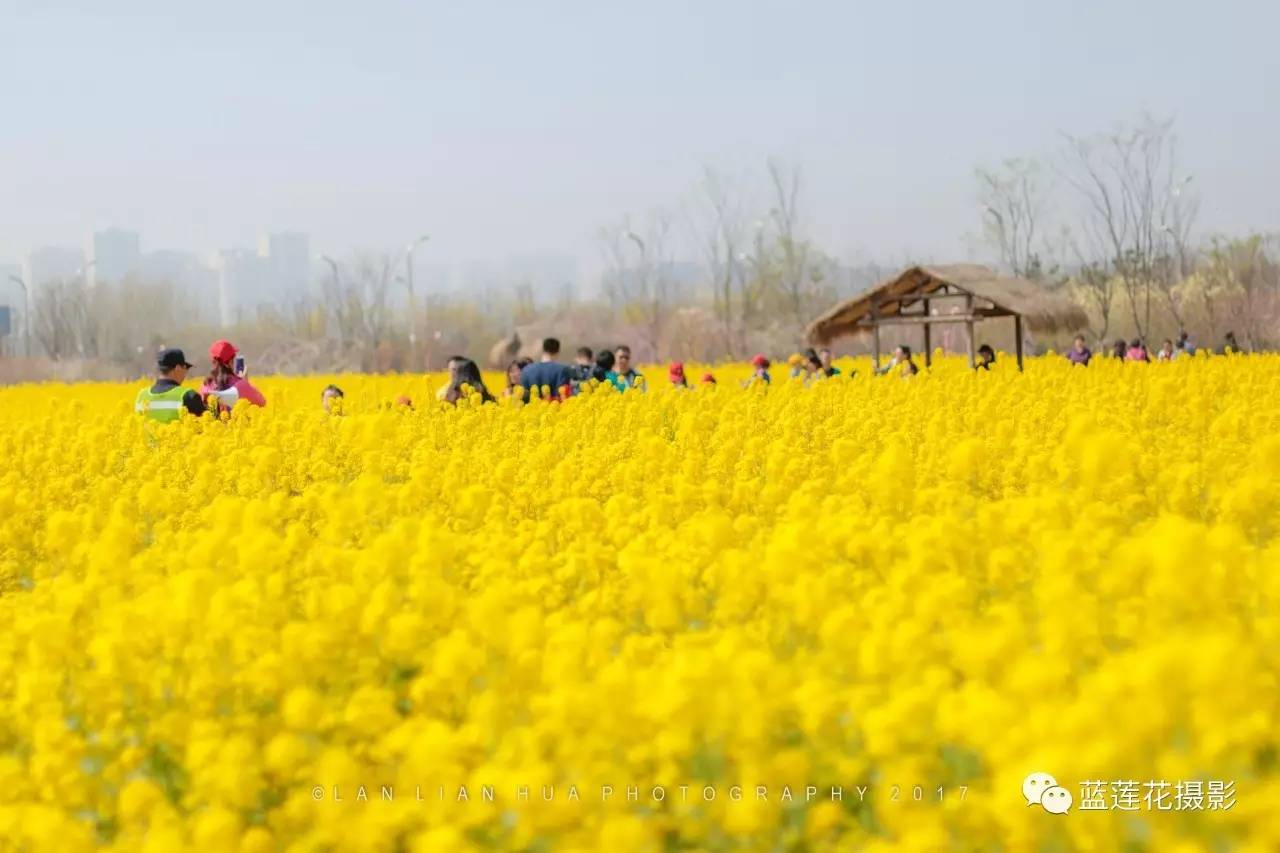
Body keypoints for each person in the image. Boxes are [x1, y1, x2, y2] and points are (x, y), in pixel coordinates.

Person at [135, 348, 208, 422]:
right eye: (185, 368)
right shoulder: (188, 396)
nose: (185, 373)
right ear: (178, 368)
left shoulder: (141, 396)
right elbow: (206, 425)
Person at [201, 339, 266, 414]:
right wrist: (245, 383)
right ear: (231, 361)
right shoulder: (240, 385)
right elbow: (262, 402)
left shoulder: (204, 386)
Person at [519, 338, 574, 403]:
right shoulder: (562, 370)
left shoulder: (526, 370)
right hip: (555, 411)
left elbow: (523, 397)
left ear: (543, 350)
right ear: (558, 351)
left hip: (530, 411)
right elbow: (563, 395)